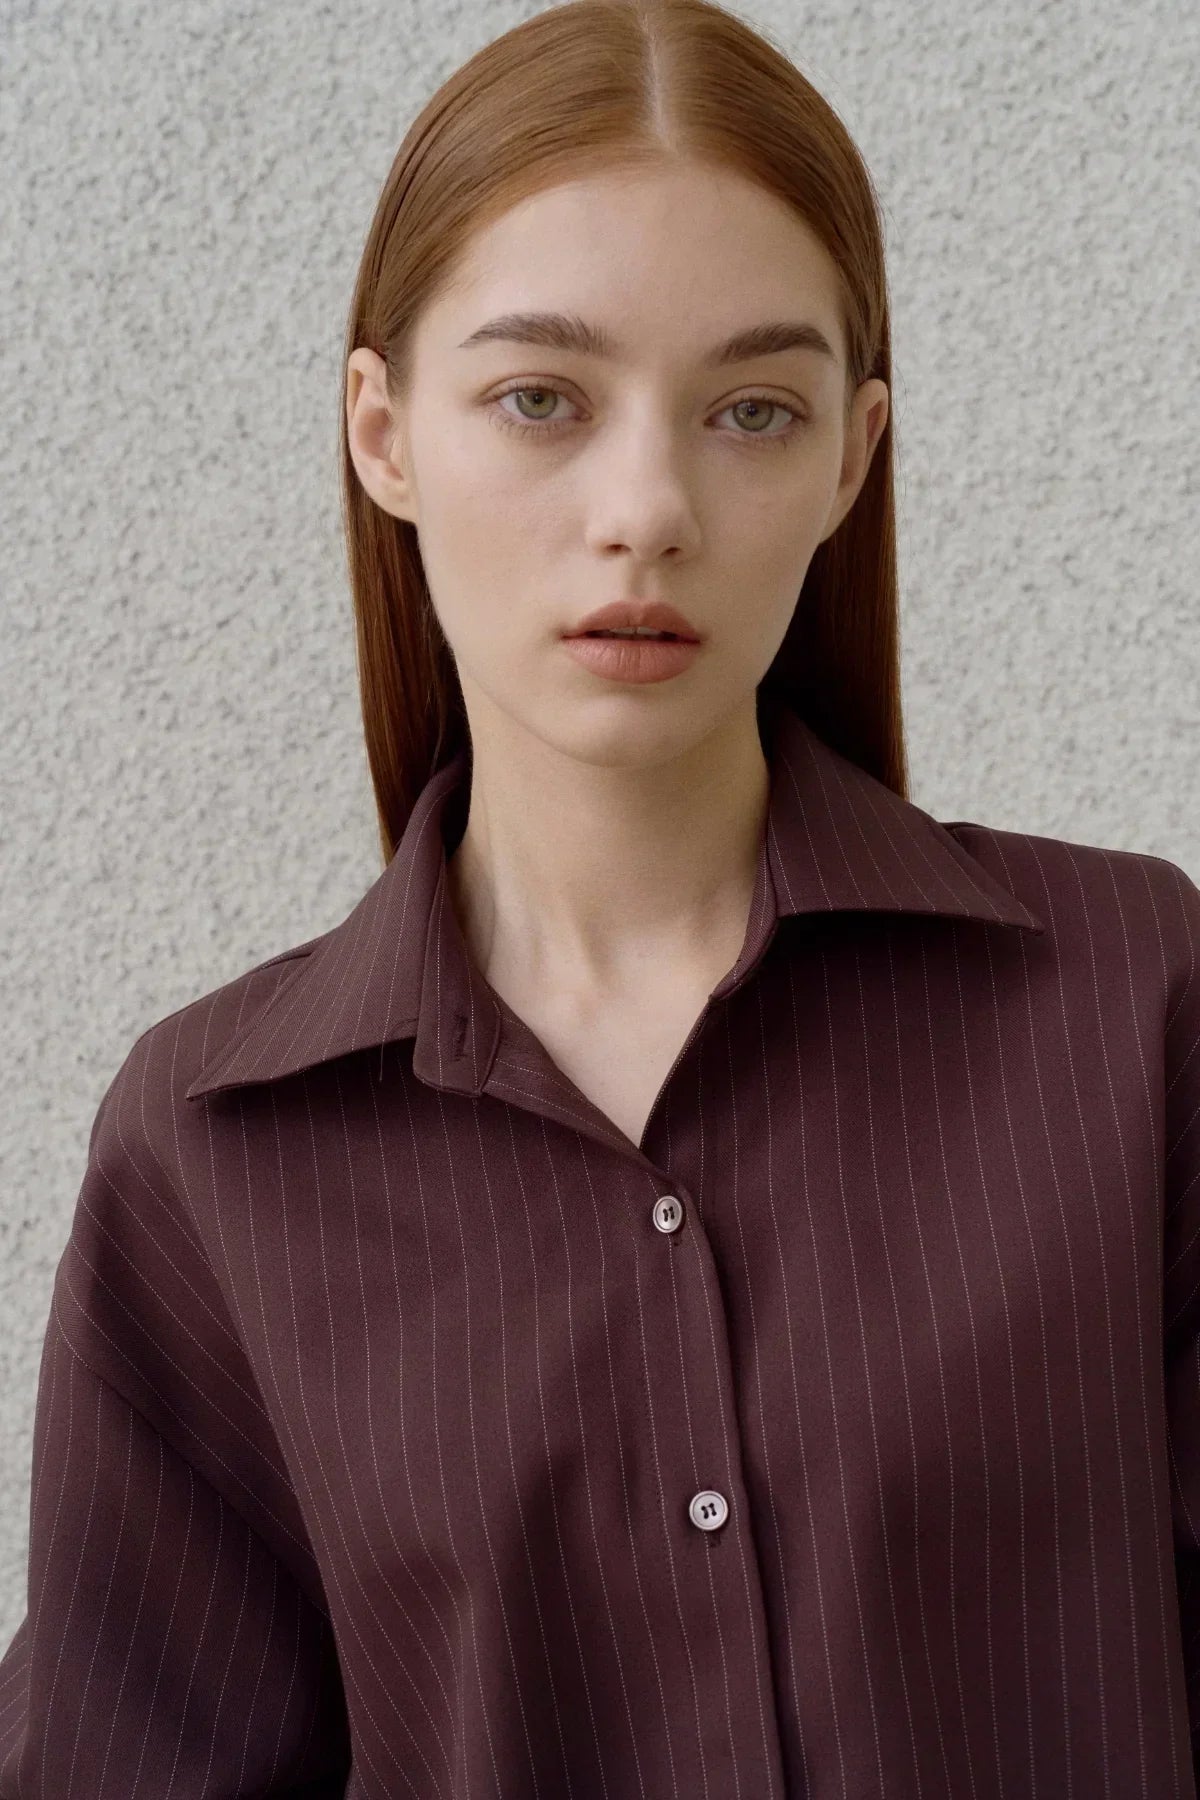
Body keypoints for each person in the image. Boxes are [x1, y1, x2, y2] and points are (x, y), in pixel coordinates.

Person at [2, 0, 1198, 1794]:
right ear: (383, 430)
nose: (645, 508)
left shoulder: (1141, 1005)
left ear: (850, 458)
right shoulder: (209, 1147)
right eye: (541, 398)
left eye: (753, 409)